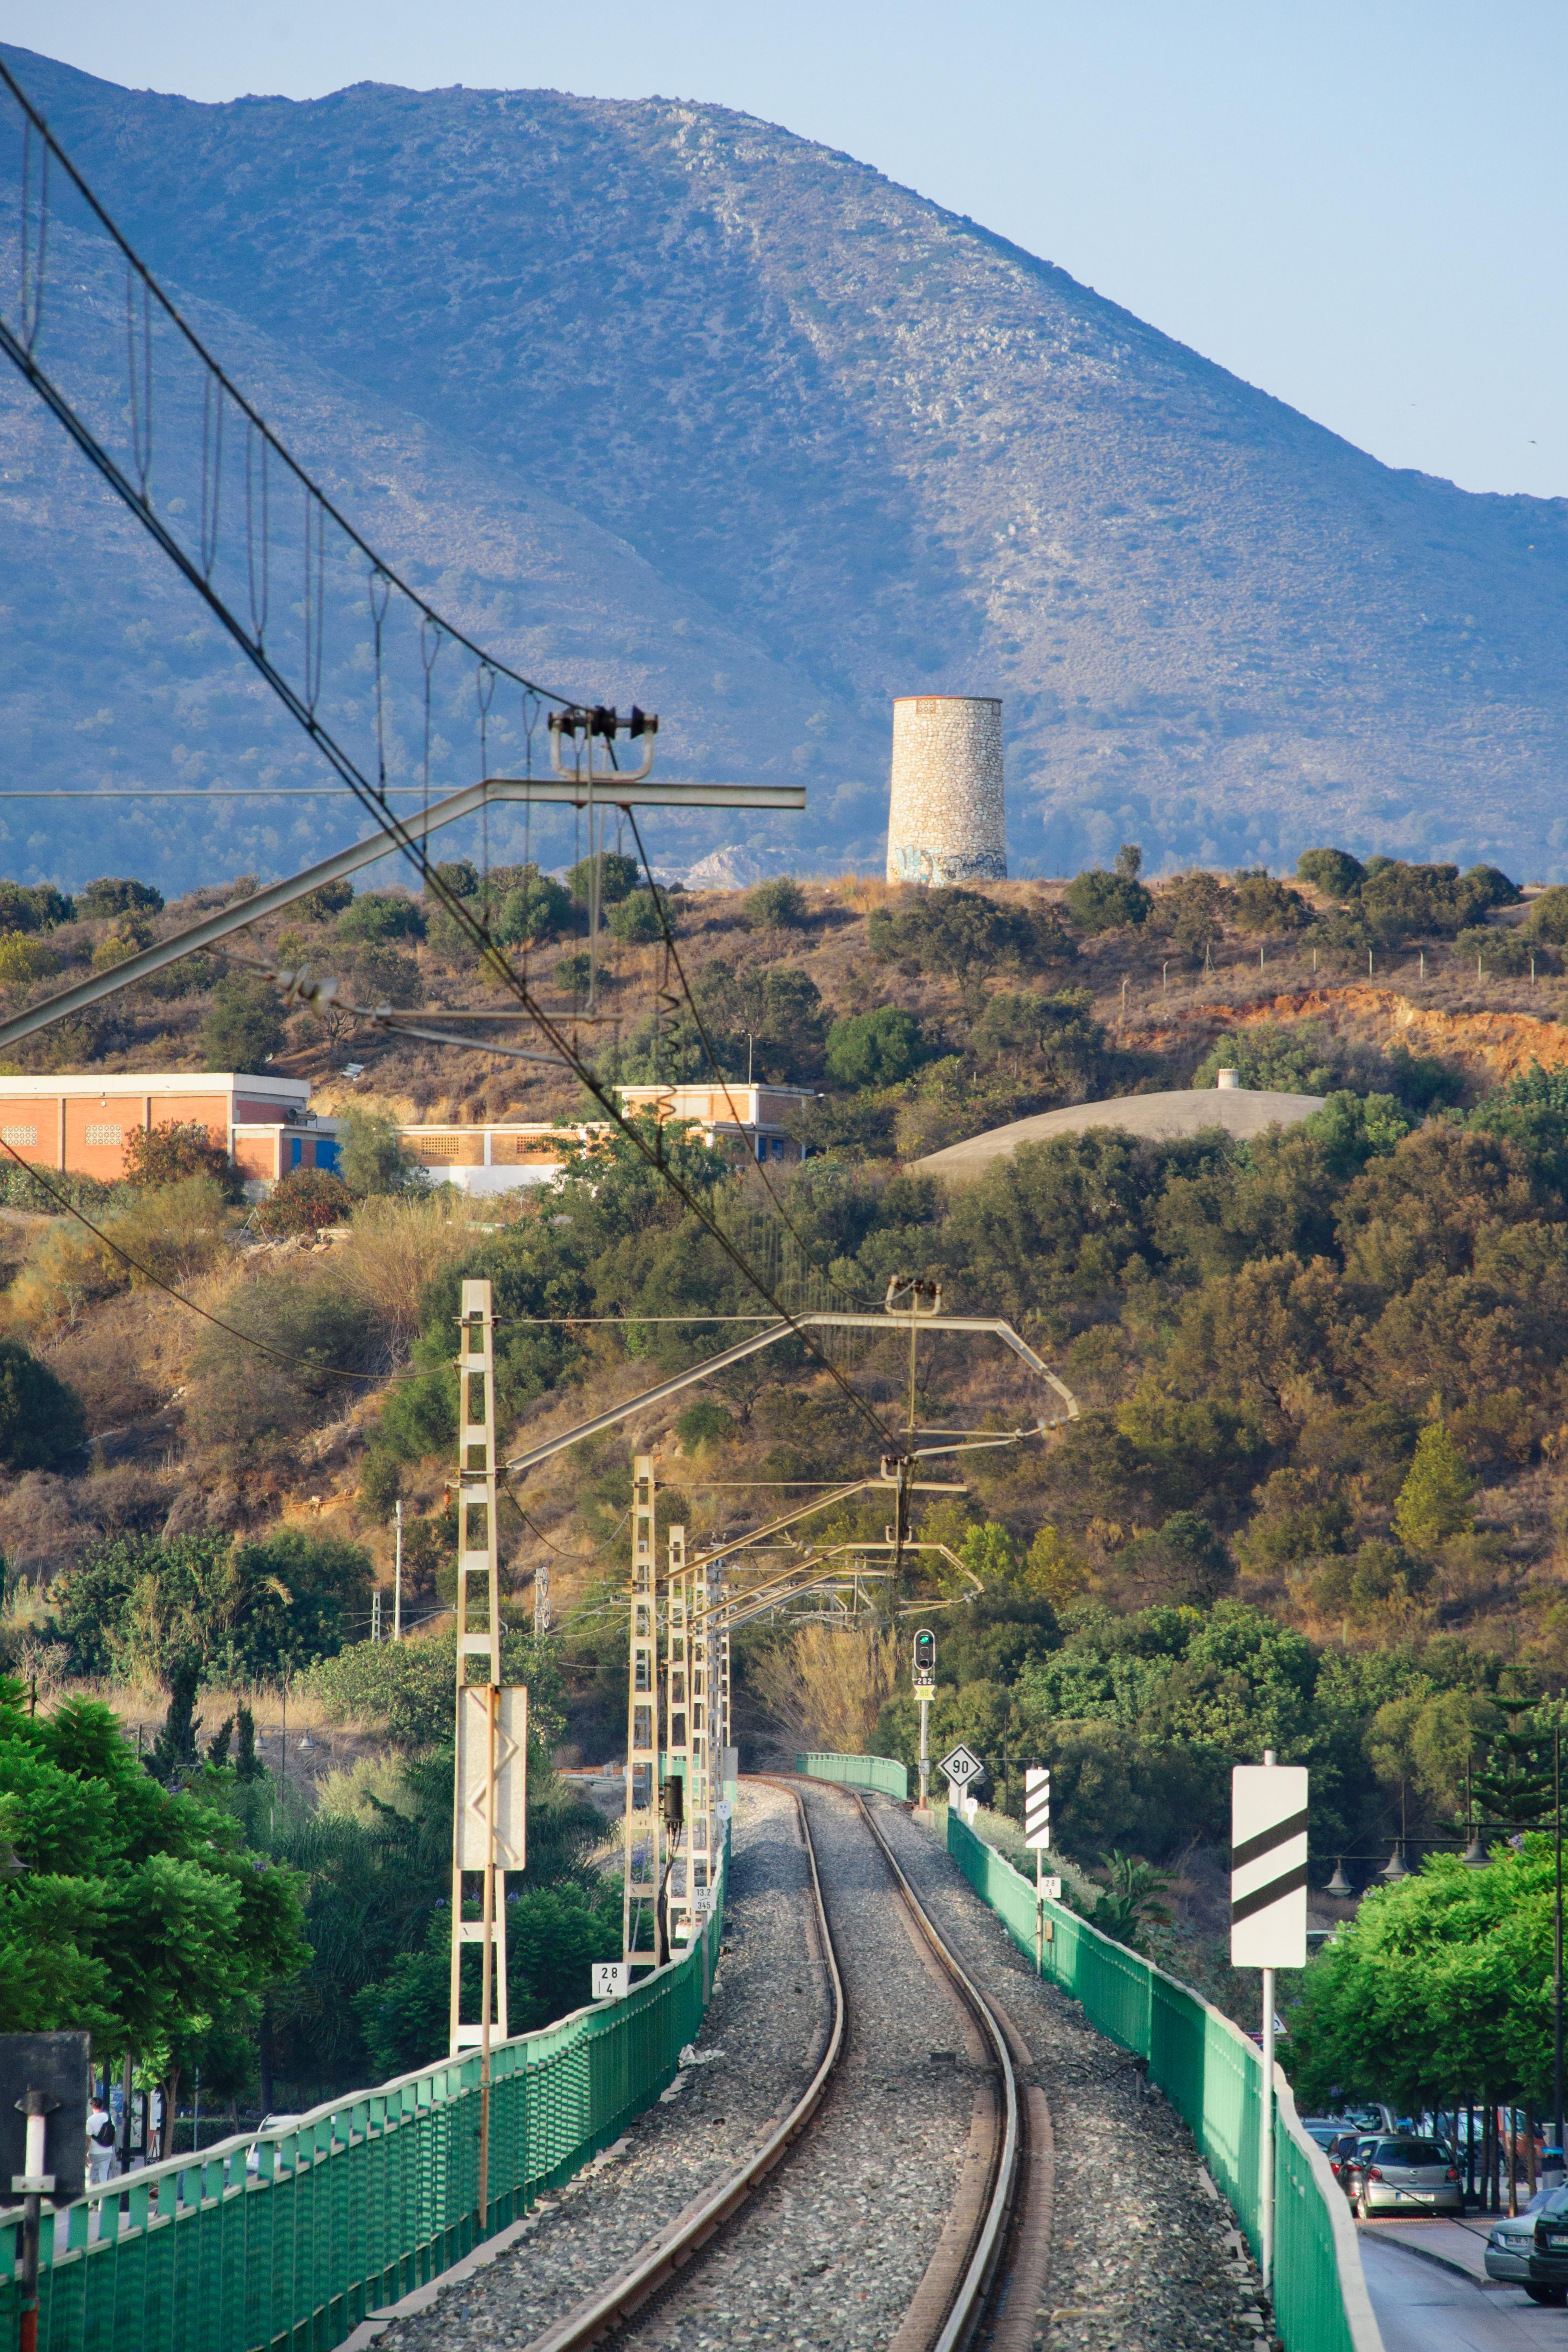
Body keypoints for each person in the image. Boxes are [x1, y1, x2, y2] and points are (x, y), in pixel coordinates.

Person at [86, 2096, 116, 2186]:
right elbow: (114, 2135)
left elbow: (88, 2139)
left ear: (92, 2107)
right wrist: (110, 2146)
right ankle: (103, 2200)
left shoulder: (90, 2120)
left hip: (94, 2153)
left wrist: (85, 2155)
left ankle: (91, 2199)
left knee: (90, 2177)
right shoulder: (109, 2118)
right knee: (104, 2178)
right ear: (101, 2106)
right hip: (107, 2152)